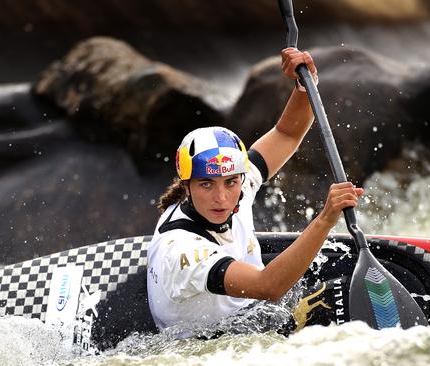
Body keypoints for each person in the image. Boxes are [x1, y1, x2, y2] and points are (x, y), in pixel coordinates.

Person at [146, 47, 364, 336]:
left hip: (247, 315)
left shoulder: (240, 180)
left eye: (230, 183)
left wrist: (304, 84)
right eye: (206, 185)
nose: (222, 198)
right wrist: (325, 219)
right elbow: (268, 287)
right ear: (187, 185)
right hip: (202, 347)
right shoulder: (183, 251)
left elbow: (287, 134)